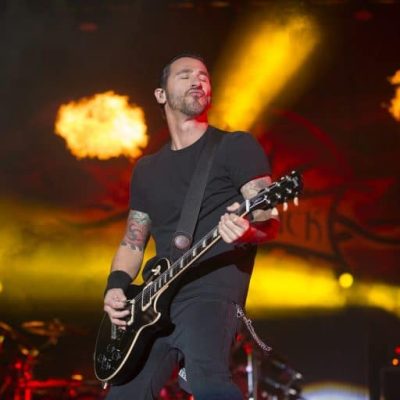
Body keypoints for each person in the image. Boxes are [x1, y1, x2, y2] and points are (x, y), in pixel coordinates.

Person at [103, 53, 280, 400]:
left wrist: (247, 232)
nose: (197, 80)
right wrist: (115, 287)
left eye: (203, 76)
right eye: (184, 75)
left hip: (210, 292)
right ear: (161, 94)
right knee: (124, 395)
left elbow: (268, 220)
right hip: (153, 302)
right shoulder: (147, 169)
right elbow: (133, 241)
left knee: (206, 380)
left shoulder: (235, 146)